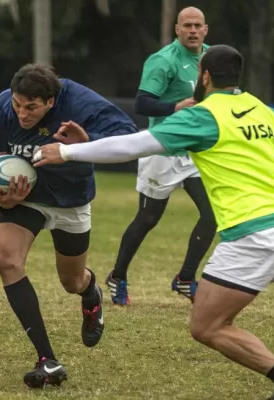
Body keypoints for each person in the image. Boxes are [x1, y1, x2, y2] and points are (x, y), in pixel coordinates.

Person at [32, 45, 274, 399]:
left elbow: (133, 146)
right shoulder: (264, 111)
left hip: (254, 234)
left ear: (204, 76)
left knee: (207, 326)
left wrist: (66, 152)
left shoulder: (203, 115)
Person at [0, 63, 138, 388]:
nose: (22, 114)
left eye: (32, 107)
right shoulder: (0, 109)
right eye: (17, 104)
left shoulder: (79, 103)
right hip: (26, 197)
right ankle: (47, 359)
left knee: (71, 280)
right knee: (7, 261)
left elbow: (129, 138)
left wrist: (82, 146)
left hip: (70, 197)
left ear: (51, 102)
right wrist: (4, 198)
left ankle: (90, 292)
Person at [106, 6, 216, 306]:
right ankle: (118, 276)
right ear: (177, 30)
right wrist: (175, 107)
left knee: (213, 215)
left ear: (206, 30)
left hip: (194, 150)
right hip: (162, 149)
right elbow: (143, 103)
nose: (192, 31)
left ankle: (184, 278)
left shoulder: (212, 58)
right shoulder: (163, 61)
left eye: (198, 26)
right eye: (187, 26)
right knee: (148, 218)